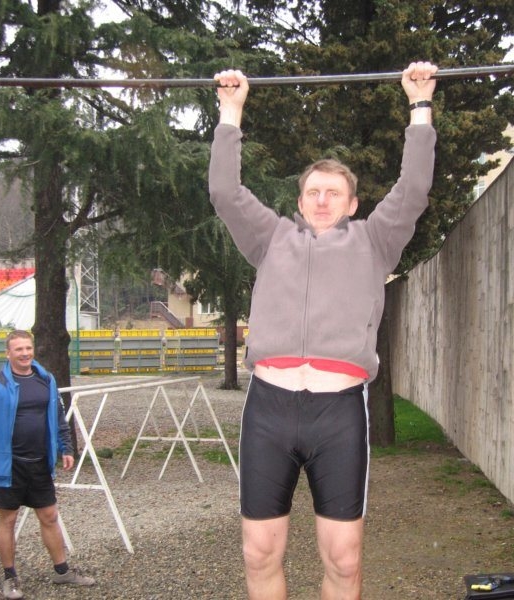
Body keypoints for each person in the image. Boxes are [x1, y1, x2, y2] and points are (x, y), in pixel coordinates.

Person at [209, 61, 438, 599]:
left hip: (338, 415)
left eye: (333, 193)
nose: (321, 200)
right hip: (269, 409)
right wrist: (231, 110)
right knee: (258, 552)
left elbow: (413, 189)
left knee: (344, 559)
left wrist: (420, 105)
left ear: (352, 204)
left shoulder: (375, 241)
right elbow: (224, 191)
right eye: (313, 192)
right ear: (299, 201)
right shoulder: (270, 238)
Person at [0, 329, 95, 599]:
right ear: (8, 353)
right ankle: (10, 578)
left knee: (50, 516)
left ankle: (62, 572)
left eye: (28, 348)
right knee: (8, 520)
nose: (24, 354)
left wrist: (66, 447)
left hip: (39, 463)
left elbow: (58, 417)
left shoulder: (46, 380)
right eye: (18, 349)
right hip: (7, 465)